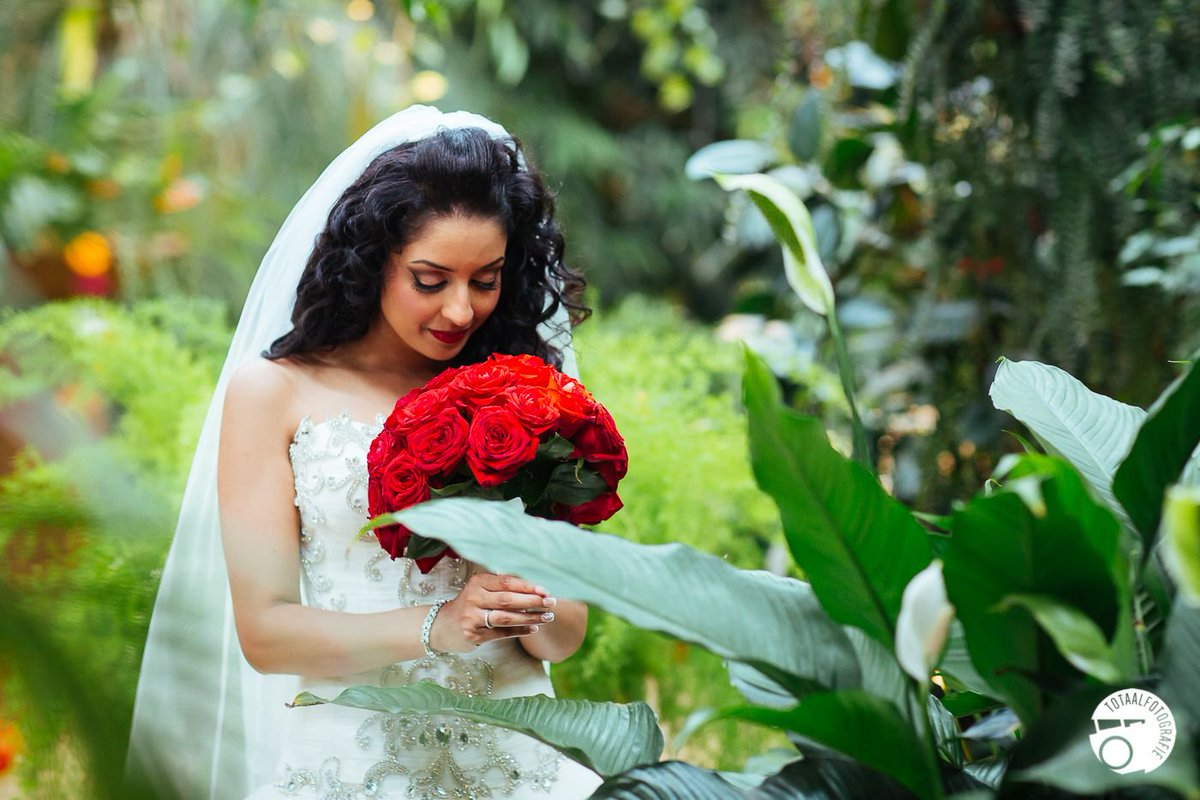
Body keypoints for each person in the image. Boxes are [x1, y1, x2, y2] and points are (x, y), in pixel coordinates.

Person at [126, 107, 604, 800]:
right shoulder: (274, 395)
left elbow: (566, 635)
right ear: (374, 258)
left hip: (519, 763)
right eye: (431, 280)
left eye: (487, 278)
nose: (461, 311)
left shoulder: (523, 395)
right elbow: (266, 634)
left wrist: (514, 580)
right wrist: (441, 625)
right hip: (351, 767)